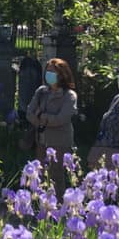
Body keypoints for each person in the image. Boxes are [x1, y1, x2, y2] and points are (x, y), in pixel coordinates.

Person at [26, 57, 77, 196]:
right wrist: (42, 119)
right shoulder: (41, 91)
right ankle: (41, 203)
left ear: (62, 74)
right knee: (40, 173)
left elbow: (62, 118)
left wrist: (42, 117)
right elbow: (29, 113)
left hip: (60, 142)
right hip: (41, 139)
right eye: (48, 71)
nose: (50, 74)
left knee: (56, 176)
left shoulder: (69, 95)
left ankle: (59, 205)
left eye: (53, 72)